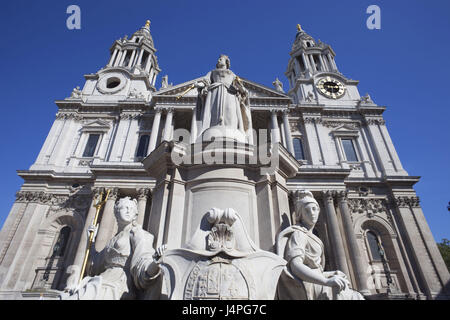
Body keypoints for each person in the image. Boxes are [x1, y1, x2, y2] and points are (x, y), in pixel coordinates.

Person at [62, 197, 164, 300]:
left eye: (132, 209)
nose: (128, 211)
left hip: (118, 283)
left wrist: (154, 263)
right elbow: (95, 267)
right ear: (116, 212)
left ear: (135, 215)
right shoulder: (112, 240)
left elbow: (143, 259)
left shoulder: (137, 233)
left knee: (88, 292)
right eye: (125, 208)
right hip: (102, 279)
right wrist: (91, 241)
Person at [276, 190, 364, 300]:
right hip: (307, 283)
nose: (312, 213)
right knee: (354, 297)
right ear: (300, 215)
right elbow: (295, 266)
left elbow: (316, 270)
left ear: (318, 210)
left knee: (355, 295)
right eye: (307, 211)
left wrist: (332, 273)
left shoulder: (313, 237)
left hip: (316, 280)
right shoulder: (299, 234)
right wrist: (326, 281)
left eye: (314, 209)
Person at [194, 55, 251, 142]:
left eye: (220, 59)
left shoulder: (232, 74)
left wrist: (242, 89)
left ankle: (231, 131)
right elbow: (206, 82)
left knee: (230, 112)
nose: (218, 60)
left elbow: (238, 84)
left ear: (226, 62)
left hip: (229, 93)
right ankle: (214, 130)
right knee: (213, 112)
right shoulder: (212, 72)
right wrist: (198, 85)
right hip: (214, 92)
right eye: (218, 59)